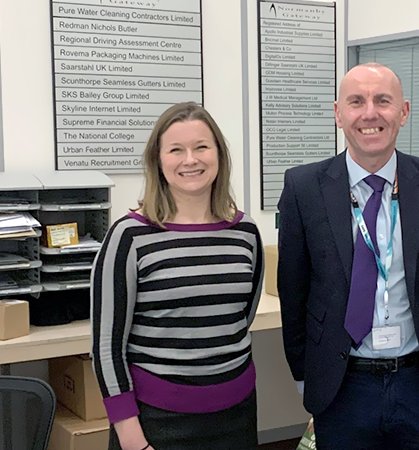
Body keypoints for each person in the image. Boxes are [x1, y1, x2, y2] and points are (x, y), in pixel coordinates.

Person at [277, 62, 419, 450]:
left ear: (404, 111)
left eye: (383, 101)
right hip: (342, 385)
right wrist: (305, 375)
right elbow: (292, 292)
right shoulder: (303, 187)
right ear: (337, 114)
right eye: (356, 101)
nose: (370, 113)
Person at [91, 102, 264, 450]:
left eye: (201, 147)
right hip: (157, 422)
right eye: (176, 150)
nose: (190, 160)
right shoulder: (129, 237)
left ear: (219, 155)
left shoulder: (244, 232)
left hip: (236, 416)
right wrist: (132, 440)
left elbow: (239, 319)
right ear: (158, 160)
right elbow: (106, 348)